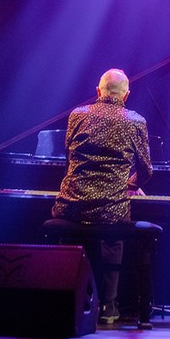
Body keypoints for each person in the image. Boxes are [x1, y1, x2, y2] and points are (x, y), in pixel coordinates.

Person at [50, 68, 153, 324]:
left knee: (72, 230)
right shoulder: (135, 121)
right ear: (126, 95)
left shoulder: (77, 115)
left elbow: (69, 157)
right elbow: (146, 171)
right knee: (113, 235)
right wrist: (129, 184)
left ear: (98, 91)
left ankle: (67, 295)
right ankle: (108, 305)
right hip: (111, 208)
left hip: (72, 205)